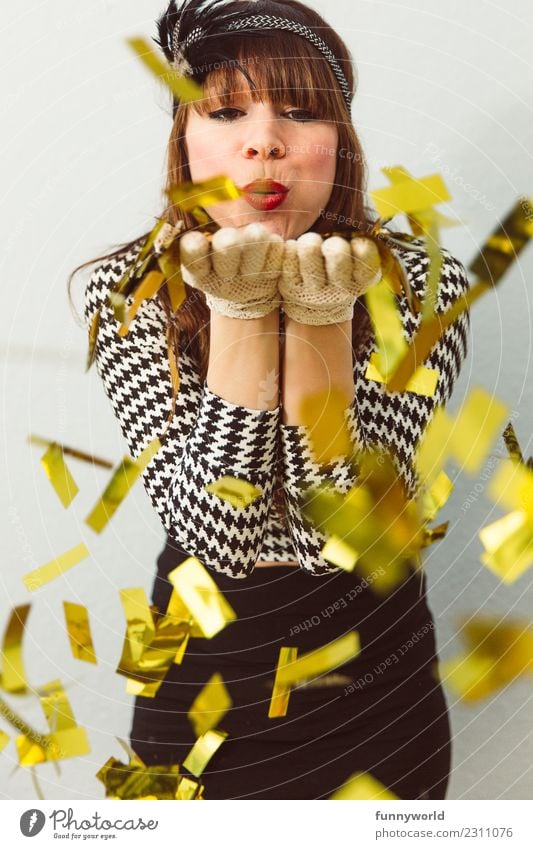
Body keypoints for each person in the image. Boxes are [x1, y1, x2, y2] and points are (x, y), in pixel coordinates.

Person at [70, 0, 470, 799]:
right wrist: (239, 315)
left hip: (374, 670)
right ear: (185, 139)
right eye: (225, 110)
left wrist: (322, 323)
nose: (264, 141)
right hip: (197, 663)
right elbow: (218, 534)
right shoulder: (130, 294)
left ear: (341, 146)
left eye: (300, 111)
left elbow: (350, 538)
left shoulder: (421, 287)